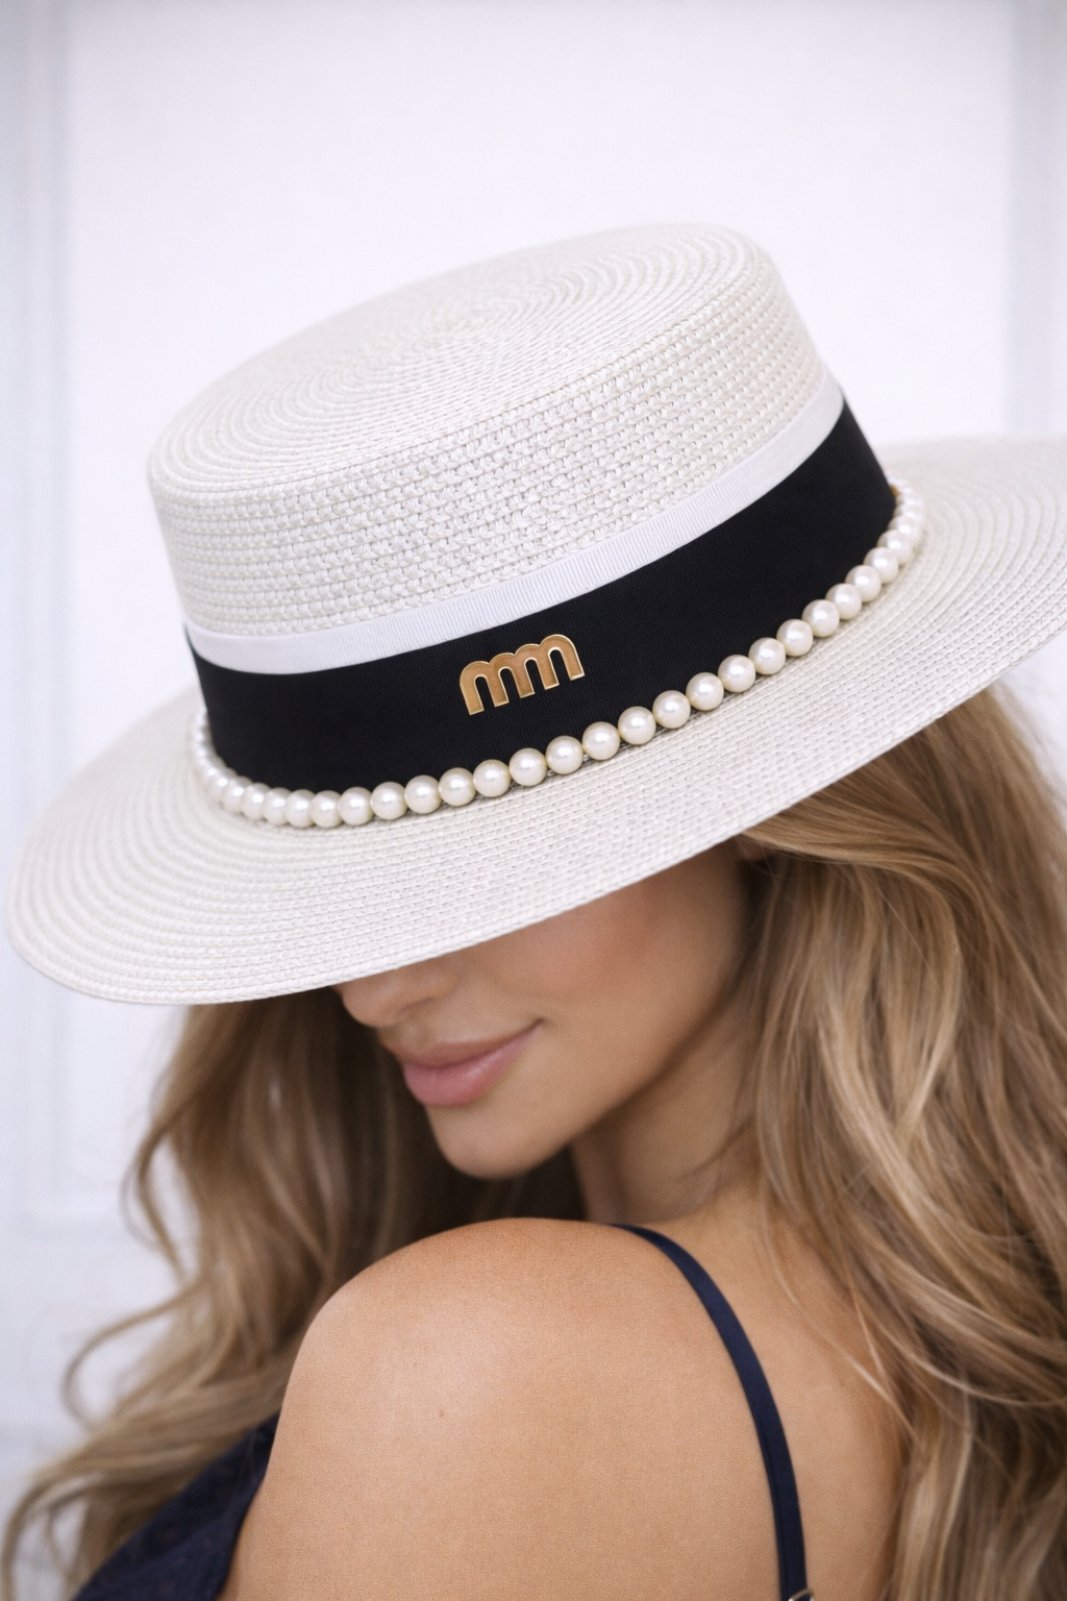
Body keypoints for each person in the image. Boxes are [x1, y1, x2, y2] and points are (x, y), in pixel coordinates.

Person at [3, 221, 1066, 1601]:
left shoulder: (481, 1371)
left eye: (481, 861)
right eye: (347, 878)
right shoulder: (931, 1371)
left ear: (767, 809)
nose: (372, 990)